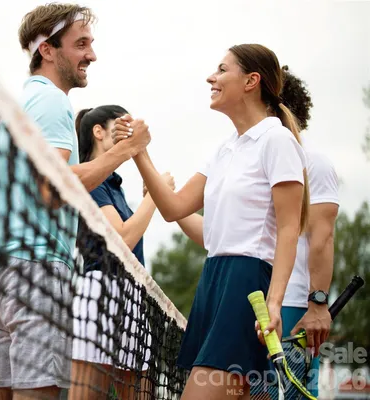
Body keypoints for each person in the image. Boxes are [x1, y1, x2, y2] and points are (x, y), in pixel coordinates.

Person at [112, 43, 309, 399]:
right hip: (213, 279)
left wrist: (275, 302)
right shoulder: (223, 148)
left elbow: (289, 229)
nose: (211, 77)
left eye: (221, 69)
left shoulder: (277, 140)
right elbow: (173, 208)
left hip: (247, 284)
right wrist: (138, 152)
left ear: (251, 81)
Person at [0, 4, 151, 400]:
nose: (91, 55)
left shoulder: (23, 102)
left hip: (1, 272)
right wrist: (126, 151)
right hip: (37, 269)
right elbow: (53, 191)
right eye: (81, 44)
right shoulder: (54, 102)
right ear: (48, 50)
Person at [165, 67, 340, 398]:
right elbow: (219, 235)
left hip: (288, 305)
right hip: (249, 297)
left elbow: (321, 237)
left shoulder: (309, 159)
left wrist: (317, 303)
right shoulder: (237, 151)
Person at [69, 105, 175, 399]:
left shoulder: (115, 186)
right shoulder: (92, 182)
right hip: (101, 291)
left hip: (133, 296)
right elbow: (122, 240)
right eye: (120, 123)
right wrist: (154, 197)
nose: (128, 129)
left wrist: (148, 199)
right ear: (99, 132)